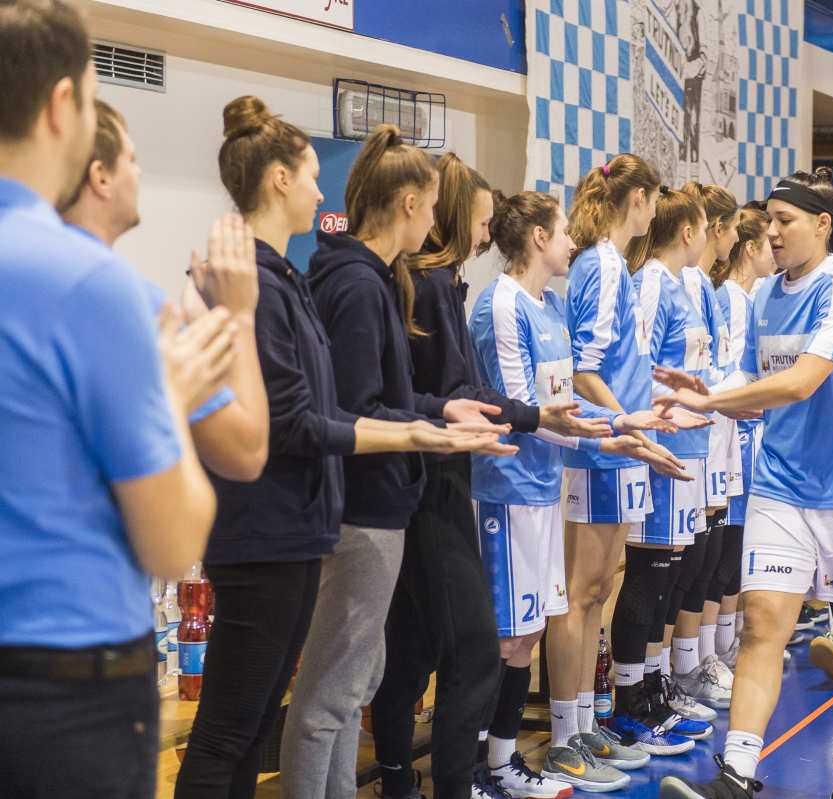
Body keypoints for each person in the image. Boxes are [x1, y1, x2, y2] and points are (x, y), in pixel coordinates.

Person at [174, 98, 503, 799]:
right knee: (245, 724)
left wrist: (433, 414)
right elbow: (310, 419)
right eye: (309, 174)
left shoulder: (292, 278)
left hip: (304, 523)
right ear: (279, 180)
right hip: (279, 524)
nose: (322, 190)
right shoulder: (280, 283)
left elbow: (328, 406)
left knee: (275, 713)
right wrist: (417, 431)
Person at [0, 2, 221, 795]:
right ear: (63, 105)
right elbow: (171, 542)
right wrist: (172, 398)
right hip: (61, 695)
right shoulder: (91, 285)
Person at [280, 128, 518, 799]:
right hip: (364, 508)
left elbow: (389, 397)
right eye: (434, 206)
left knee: (356, 681)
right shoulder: (358, 284)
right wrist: (433, 431)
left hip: (382, 504)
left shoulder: (375, 279)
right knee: (330, 695)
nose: (438, 220)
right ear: (410, 203)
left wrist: (441, 412)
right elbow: (355, 412)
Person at [370, 153, 615, 799]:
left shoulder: (463, 287)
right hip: (472, 485)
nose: (485, 233)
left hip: (495, 478)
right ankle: (466, 773)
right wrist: (551, 420)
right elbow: (462, 394)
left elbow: (498, 396)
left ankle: (473, 768)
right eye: (480, 221)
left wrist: (611, 424)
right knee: (480, 644)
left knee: (475, 640)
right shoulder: (458, 294)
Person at [654, 169, 833, 799]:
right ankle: (737, 773)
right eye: (768, 221)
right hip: (781, 484)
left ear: (822, 224)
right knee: (763, 624)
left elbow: (800, 382)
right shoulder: (765, 294)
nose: (771, 232)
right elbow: (750, 384)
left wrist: (712, 401)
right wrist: (702, 396)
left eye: (784, 221)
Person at [473, 189, 673, 794]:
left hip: (543, 485)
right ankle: (481, 767)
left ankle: (504, 762)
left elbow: (564, 405)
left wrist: (622, 425)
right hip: (505, 489)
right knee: (506, 636)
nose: (571, 242)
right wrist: (615, 432)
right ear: (537, 237)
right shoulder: (501, 304)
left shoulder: (552, 304)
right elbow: (521, 412)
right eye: (562, 232)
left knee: (529, 632)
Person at [542, 154, 697, 789]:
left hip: (619, 445)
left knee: (600, 589)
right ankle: (564, 735)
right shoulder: (603, 264)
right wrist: (623, 424)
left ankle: (586, 721)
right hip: (599, 449)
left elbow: (619, 367)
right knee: (581, 593)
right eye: (654, 199)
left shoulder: (614, 264)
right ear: (638, 198)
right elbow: (584, 369)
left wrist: (646, 414)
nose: (656, 211)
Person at [60, 99, 271, 482]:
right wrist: (238, 316)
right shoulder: (133, 307)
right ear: (101, 177)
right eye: (131, 160)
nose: (138, 172)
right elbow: (246, 453)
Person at [608, 187, 719, 751]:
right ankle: (629, 698)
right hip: (661, 446)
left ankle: (652, 684)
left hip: (691, 445)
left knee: (673, 571)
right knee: (650, 572)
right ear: (689, 232)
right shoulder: (651, 280)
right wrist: (651, 430)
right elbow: (639, 365)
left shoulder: (683, 283)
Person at [666, 182, 740, 709]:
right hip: (693, 434)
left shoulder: (703, 285)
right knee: (684, 559)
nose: (734, 238)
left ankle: (698, 659)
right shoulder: (684, 282)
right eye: (732, 228)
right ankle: (677, 668)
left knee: (708, 552)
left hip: (715, 430)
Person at [708, 203, 776, 671]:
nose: (776, 251)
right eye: (769, 242)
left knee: (737, 547)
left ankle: (728, 642)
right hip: (737, 433)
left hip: (751, 431)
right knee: (726, 546)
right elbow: (731, 373)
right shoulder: (731, 297)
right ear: (749, 248)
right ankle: (713, 648)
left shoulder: (751, 298)